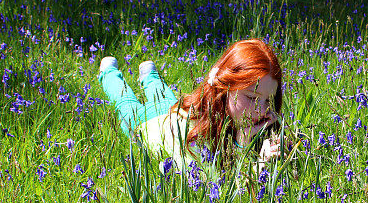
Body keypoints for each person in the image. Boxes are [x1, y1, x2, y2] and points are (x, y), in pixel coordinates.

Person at [98, 39, 283, 171]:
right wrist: (246, 151)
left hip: (174, 109)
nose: (261, 109)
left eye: (268, 100)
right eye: (251, 97)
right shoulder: (190, 135)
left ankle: (149, 76)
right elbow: (208, 185)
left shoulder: (248, 120)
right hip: (147, 124)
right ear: (224, 87)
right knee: (125, 102)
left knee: (162, 95)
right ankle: (109, 73)